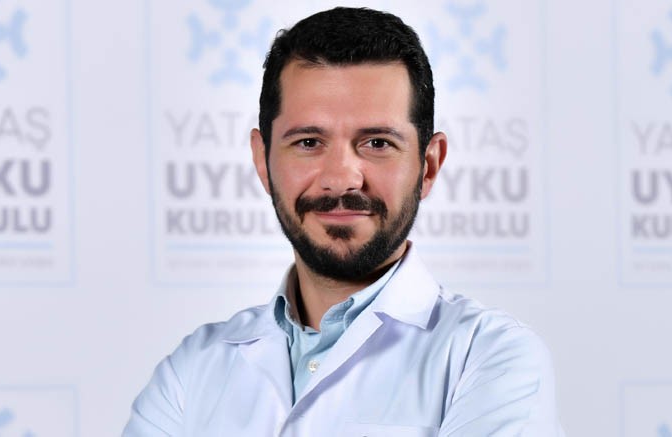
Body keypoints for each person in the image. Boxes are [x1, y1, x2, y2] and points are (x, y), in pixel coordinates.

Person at [124, 7, 564, 436]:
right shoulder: (192, 369)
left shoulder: (490, 357)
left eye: (377, 143)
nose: (340, 178)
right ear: (263, 161)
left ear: (428, 165)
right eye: (308, 142)